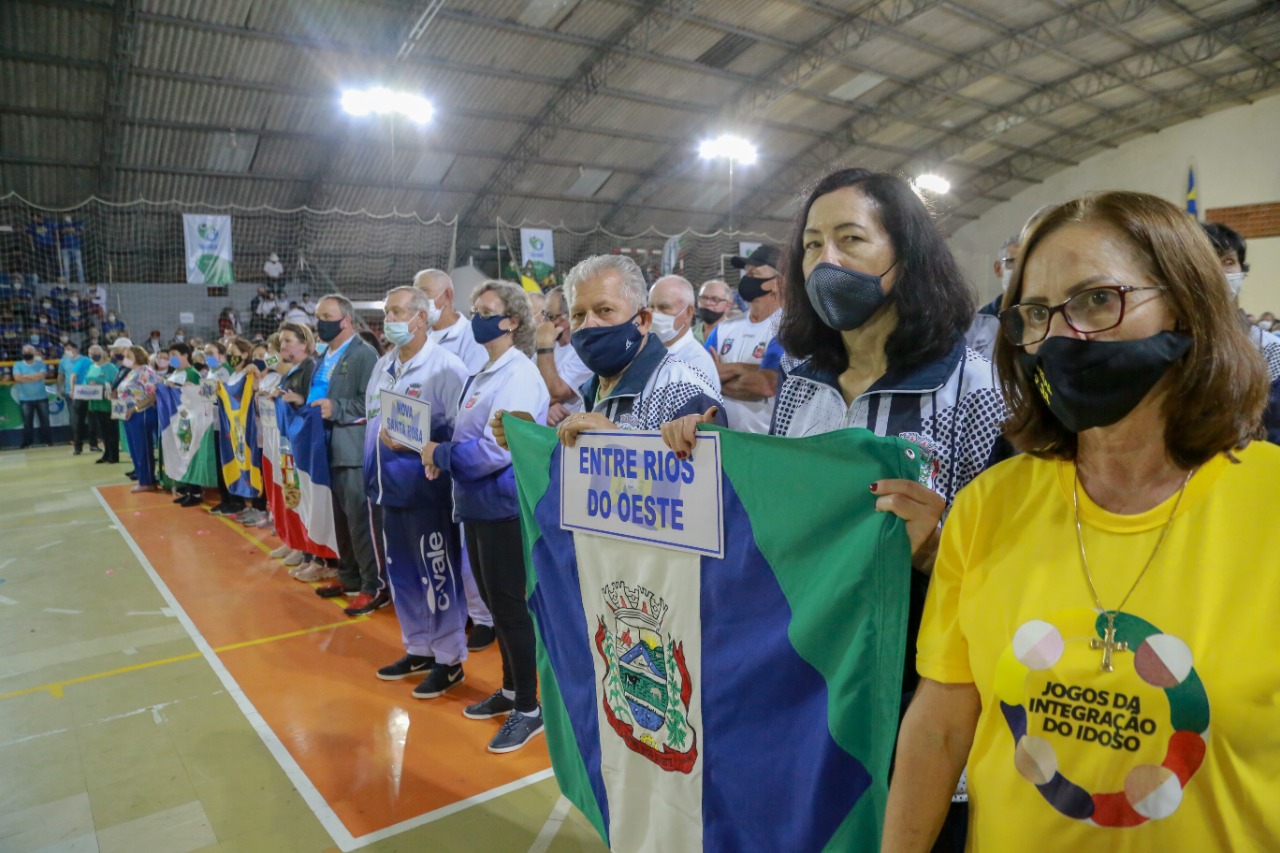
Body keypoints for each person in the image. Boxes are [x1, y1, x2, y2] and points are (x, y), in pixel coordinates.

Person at [884, 189, 1280, 850]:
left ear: (1183, 303)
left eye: (1098, 298)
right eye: (1036, 313)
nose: (1064, 336)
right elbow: (941, 725)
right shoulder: (991, 504)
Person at [420, 280, 549, 753]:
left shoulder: (518, 373)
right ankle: (512, 688)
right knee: (495, 606)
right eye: (474, 309)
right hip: (476, 504)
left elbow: (499, 446)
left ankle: (529, 708)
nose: (476, 316)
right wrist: (441, 454)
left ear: (511, 321)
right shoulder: (486, 371)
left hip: (502, 505)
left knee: (511, 609)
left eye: (486, 310)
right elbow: (465, 432)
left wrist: (443, 452)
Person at [360, 286, 470, 697]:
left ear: (421, 318)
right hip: (388, 490)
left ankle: (450, 659)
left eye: (397, 311)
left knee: (437, 575)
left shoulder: (445, 367)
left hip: (426, 490)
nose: (389, 318)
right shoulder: (385, 364)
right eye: (387, 311)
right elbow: (375, 421)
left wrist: (422, 442)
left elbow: (460, 431)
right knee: (403, 576)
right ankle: (419, 648)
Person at [287, 294, 382, 615]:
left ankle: (372, 586)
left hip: (351, 449)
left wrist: (336, 408)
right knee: (340, 520)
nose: (319, 322)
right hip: (324, 447)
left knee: (359, 521)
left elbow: (372, 404)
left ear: (345, 320)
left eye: (325, 316)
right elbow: (321, 395)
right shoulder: (325, 356)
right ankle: (349, 576)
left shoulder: (363, 355)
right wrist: (304, 402)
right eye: (317, 316)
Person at [1200, 221, 1280, 443]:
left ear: (1242, 272)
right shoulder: (1167, 342)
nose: (1218, 272)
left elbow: (1276, 432)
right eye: (1207, 260)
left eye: (1228, 262)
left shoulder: (1268, 347)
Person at [707, 245, 786, 434]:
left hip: (764, 444)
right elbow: (699, 376)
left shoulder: (786, 328)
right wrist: (751, 369)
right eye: (747, 273)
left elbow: (765, 386)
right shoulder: (723, 328)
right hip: (723, 439)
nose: (746, 278)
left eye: (754, 273)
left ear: (777, 283)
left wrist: (723, 373)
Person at [533, 286, 593, 426]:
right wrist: (544, 408)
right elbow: (523, 387)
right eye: (544, 315)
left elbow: (555, 393)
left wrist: (544, 344)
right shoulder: (551, 344)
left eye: (550, 317)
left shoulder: (585, 351)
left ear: (570, 316)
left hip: (569, 440)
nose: (543, 322)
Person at [649, 274, 720, 392]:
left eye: (663, 307)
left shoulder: (697, 365)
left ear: (688, 312)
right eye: (651, 307)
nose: (655, 314)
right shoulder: (647, 351)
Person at [416, 269, 488, 373]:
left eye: (423, 292)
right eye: (415, 295)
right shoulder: (420, 338)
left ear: (447, 295)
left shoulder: (473, 337)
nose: (417, 300)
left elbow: (472, 382)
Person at [965, 234, 1019, 361]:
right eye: (1012, 262)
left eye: (1026, 263)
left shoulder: (1044, 319)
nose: (1019, 270)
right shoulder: (977, 325)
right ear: (998, 268)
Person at [117, 345, 160, 492]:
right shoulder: (131, 372)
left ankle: (148, 481)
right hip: (128, 414)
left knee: (143, 448)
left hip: (142, 412)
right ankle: (142, 478)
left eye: (129, 356)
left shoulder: (146, 372)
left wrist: (135, 408)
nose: (126, 359)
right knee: (135, 449)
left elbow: (152, 395)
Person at [83, 344, 119, 463]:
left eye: (96, 353)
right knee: (102, 431)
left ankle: (114, 455)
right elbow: (85, 381)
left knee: (111, 430)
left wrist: (102, 386)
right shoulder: (91, 367)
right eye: (91, 354)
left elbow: (116, 383)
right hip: (95, 403)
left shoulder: (111, 367)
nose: (94, 356)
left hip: (108, 403)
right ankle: (106, 453)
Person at [13, 343, 54, 448]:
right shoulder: (17, 364)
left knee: (45, 421)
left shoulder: (40, 364)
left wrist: (25, 377)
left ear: (34, 353)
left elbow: (41, 376)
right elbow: (18, 378)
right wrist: (33, 377)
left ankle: (48, 441)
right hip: (25, 398)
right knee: (27, 423)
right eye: (25, 352)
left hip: (41, 397)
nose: (27, 353)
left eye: (29, 352)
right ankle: (27, 442)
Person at [692, 278, 734, 344]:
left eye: (715, 300)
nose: (708, 303)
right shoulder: (689, 334)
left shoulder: (737, 334)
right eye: (703, 298)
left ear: (727, 305)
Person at [59, 215, 86, 283]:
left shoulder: (77, 223)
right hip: (64, 248)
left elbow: (81, 233)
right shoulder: (61, 224)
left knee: (79, 264)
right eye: (65, 216)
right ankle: (66, 281)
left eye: (68, 215)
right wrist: (68, 230)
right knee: (66, 265)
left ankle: (81, 280)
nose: (66, 217)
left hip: (76, 247)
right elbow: (61, 232)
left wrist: (73, 231)